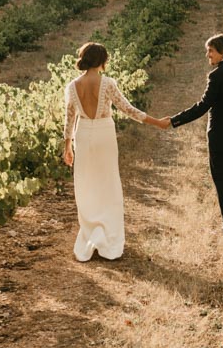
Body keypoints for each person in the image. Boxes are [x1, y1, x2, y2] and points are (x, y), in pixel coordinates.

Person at [63, 41, 166, 262]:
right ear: (102, 61)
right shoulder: (107, 83)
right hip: (104, 134)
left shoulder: (72, 86)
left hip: (83, 134)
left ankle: (91, 233)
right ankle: (106, 236)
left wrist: (67, 146)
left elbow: (69, 118)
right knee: (108, 183)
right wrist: (157, 122)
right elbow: (128, 109)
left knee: (86, 184)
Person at [157, 33, 223, 242]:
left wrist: (174, 120)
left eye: (211, 51)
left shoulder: (217, 75)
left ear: (222, 52)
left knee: (222, 180)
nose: (208, 55)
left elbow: (202, 107)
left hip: (219, 137)